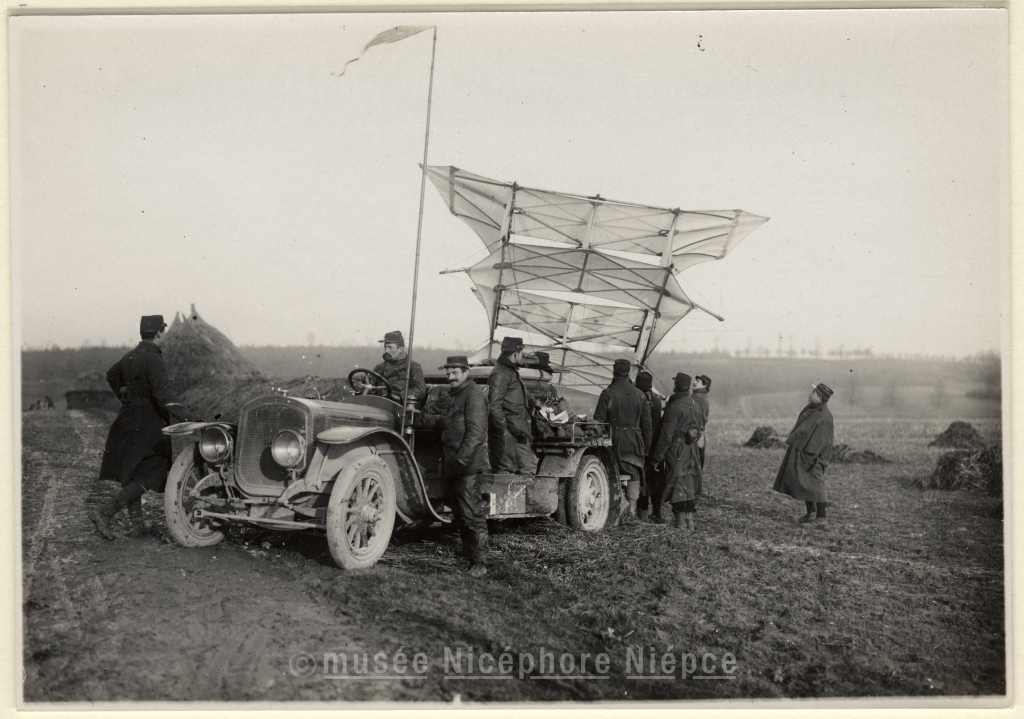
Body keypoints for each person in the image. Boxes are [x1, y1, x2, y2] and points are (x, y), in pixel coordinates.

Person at [90, 315, 197, 539]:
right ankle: (105, 512)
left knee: (135, 471)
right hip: (149, 422)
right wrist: (189, 419)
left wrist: (125, 396)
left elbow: (111, 375)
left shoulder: (130, 356)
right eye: (163, 330)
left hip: (128, 418)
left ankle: (137, 526)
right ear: (158, 332)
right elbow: (164, 396)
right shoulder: (153, 359)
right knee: (151, 473)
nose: (164, 334)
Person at [420, 356, 491, 577]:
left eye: (455, 373)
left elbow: (476, 433)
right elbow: (447, 422)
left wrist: (462, 460)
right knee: (460, 512)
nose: (450, 377)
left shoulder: (474, 396)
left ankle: (480, 562)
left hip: (467, 464)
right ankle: (468, 551)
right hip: (453, 462)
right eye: (448, 373)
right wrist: (422, 419)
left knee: (471, 513)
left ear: (466, 372)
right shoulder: (455, 394)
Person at [594, 360, 652, 522]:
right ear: (629, 373)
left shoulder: (607, 393)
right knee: (634, 474)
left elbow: (598, 422)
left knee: (613, 473)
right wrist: (645, 447)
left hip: (614, 443)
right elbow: (647, 425)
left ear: (614, 372)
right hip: (635, 442)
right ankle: (631, 511)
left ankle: (617, 512)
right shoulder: (640, 395)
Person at [773, 383, 835, 527]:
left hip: (813, 455)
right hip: (802, 450)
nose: (810, 394)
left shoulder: (824, 416)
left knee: (815, 484)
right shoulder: (811, 409)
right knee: (803, 482)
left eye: (814, 392)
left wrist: (809, 457)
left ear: (820, 397)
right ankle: (811, 513)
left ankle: (821, 519)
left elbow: (821, 441)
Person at [648, 373, 704, 531]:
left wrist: (656, 458)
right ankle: (689, 523)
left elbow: (666, 435)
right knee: (688, 485)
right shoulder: (695, 405)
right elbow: (698, 432)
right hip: (691, 450)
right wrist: (690, 439)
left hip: (676, 451)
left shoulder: (674, 407)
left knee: (677, 485)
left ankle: (680, 524)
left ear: (676, 386)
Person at [487, 336, 538, 476]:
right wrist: (503, 431)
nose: (522, 356)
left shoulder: (510, 371)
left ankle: (525, 492)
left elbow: (522, 392)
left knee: (526, 468)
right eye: (521, 353)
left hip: (517, 431)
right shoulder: (500, 373)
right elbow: (494, 406)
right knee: (508, 471)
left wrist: (536, 403)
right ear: (515, 354)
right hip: (509, 433)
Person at [372, 330, 426, 409]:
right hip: (378, 406)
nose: (386, 351)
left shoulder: (413, 367)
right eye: (385, 347)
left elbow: (419, 389)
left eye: (390, 347)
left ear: (400, 349)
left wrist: (399, 396)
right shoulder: (379, 367)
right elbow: (369, 383)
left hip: (400, 407)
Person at [634, 370, 662, 521]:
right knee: (652, 479)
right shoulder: (656, 401)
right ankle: (654, 511)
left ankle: (641, 514)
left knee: (641, 481)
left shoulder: (638, 399)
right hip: (654, 444)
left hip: (641, 444)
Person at [692, 375, 712, 469]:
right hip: (700, 435)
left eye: (698, 381)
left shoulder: (696, 397)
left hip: (694, 435)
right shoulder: (703, 397)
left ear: (704, 385)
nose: (694, 382)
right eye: (695, 380)